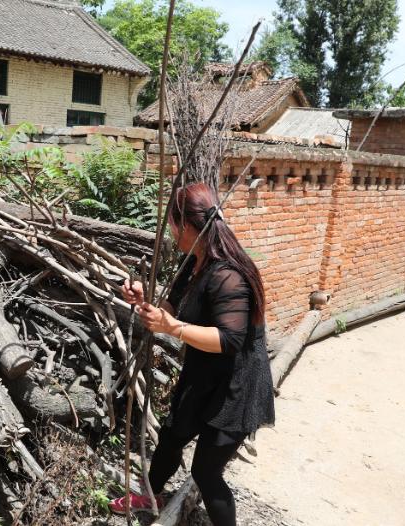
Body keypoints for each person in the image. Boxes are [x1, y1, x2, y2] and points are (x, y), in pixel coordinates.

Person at [109, 183, 274, 526]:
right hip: (203, 372)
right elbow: (169, 311)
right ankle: (149, 495)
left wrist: (173, 328)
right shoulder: (194, 263)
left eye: (171, 225)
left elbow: (230, 339)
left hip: (236, 387)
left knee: (206, 473)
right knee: (172, 435)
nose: (170, 232)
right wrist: (142, 303)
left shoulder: (229, 275)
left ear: (185, 226)